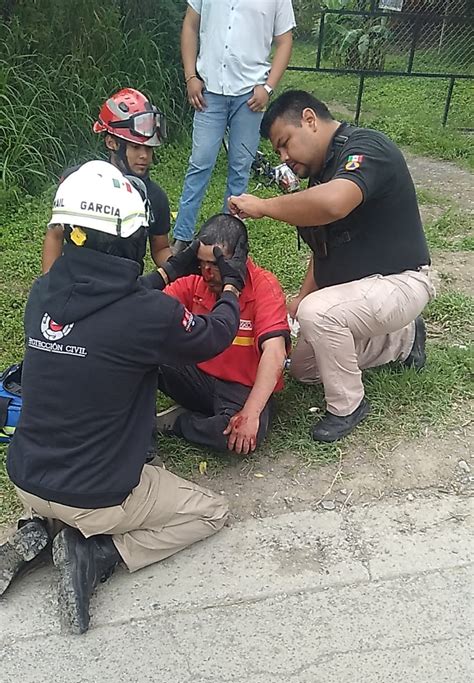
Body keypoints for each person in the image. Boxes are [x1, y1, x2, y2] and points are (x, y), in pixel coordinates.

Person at [2, 160, 246, 634]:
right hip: (97, 496)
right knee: (211, 512)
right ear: (134, 239)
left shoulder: (42, 293)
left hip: (27, 478)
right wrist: (232, 285)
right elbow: (215, 334)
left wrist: (173, 267)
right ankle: (97, 551)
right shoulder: (148, 316)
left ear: (72, 231)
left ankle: (36, 527)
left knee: (55, 471)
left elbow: (116, 297)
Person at [228, 89, 435, 443]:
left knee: (320, 313)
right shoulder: (321, 176)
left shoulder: (367, 148)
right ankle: (404, 338)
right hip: (361, 292)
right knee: (306, 367)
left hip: (402, 281)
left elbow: (335, 204)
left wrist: (264, 206)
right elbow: (321, 251)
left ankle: (348, 406)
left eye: (285, 143)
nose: (284, 156)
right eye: (278, 150)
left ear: (309, 120)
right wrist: (299, 299)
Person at [156, 214, 290, 454]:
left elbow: (275, 351)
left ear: (239, 260)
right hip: (196, 372)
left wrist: (250, 413)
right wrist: (170, 271)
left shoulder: (263, 286)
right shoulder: (195, 279)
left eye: (217, 264)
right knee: (142, 349)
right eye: (201, 263)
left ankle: (181, 423)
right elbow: (142, 314)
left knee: (235, 438)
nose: (207, 273)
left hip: (240, 388)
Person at [172, 0, 295, 252]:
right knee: (200, 164)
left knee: (240, 168)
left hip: (250, 95)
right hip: (210, 91)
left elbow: (285, 40)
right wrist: (190, 76)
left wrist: (268, 87)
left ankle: (227, 238)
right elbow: (190, 24)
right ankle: (182, 237)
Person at [42, 88, 172, 273]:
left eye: (149, 149)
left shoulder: (155, 197)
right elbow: (55, 235)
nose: (144, 156)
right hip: (77, 282)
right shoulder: (77, 182)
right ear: (112, 143)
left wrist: (184, 264)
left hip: (127, 289)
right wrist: (49, 285)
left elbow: (160, 249)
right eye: (136, 147)